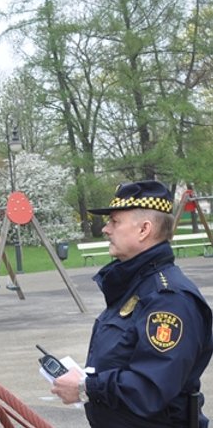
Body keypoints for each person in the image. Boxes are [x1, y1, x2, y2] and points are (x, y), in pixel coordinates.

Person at [51, 180, 213, 427]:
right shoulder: (136, 286)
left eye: (115, 222)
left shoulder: (169, 299)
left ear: (144, 229)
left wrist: (86, 387)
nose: (106, 229)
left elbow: (151, 388)